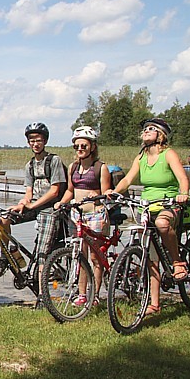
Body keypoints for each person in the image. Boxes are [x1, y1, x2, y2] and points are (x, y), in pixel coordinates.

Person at [104, 117, 190, 316]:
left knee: (161, 223)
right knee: (150, 255)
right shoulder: (141, 158)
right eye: (144, 129)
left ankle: (178, 263)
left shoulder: (168, 154)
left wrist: (183, 193)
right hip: (147, 206)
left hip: (169, 204)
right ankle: (154, 303)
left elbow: (182, 178)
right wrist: (114, 192)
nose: (146, 131)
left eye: (151, 129)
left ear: (161, 135)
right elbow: (127, 179)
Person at [3, 122, 66, 309]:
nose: (35, 144)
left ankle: (41, 297)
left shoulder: (53, 161)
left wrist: (33, 205)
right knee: (4, 218)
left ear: (45, 141)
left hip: (50, 208)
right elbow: (29, 192)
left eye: (38, 140)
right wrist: (22, 204)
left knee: (41, 253)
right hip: (34, 205)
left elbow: (55, 191)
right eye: (32, 141)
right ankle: (5, 257)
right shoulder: (29, 165)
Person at [54, 126, 111, 307]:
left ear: (92, 147)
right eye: (76, 146)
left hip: (95, 214)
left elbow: (106, 191)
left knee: (95, 257)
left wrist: (98, 195)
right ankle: (81, 294)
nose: (79, 149)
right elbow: (70, 190)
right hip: (77, 215)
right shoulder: (73, 167)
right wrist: (62, 202)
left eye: (83, 146)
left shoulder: (100, 168)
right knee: (80, 255)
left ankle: (94, 295)